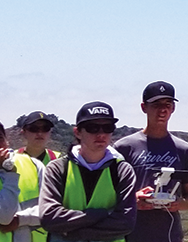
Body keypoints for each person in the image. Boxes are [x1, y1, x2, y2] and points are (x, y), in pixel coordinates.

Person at [40, 102, 137, 242]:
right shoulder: (58, 168)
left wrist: (75, 234)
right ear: (77, 132)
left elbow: (125, 222)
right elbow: (49, 218)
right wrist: (102, 214)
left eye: (107, 128)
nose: (101, 134)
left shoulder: (122, 171)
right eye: (93, 128)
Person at [113, 82, 188, 242]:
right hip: (130, 235)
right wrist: (133, 200)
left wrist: (179, 203)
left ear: (173, 108)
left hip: (170, 236)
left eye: (168, 104)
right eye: (156, 104)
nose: (162, 109)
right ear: (144, 107)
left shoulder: (184, 150)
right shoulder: (124, 147)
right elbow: (109, 195)